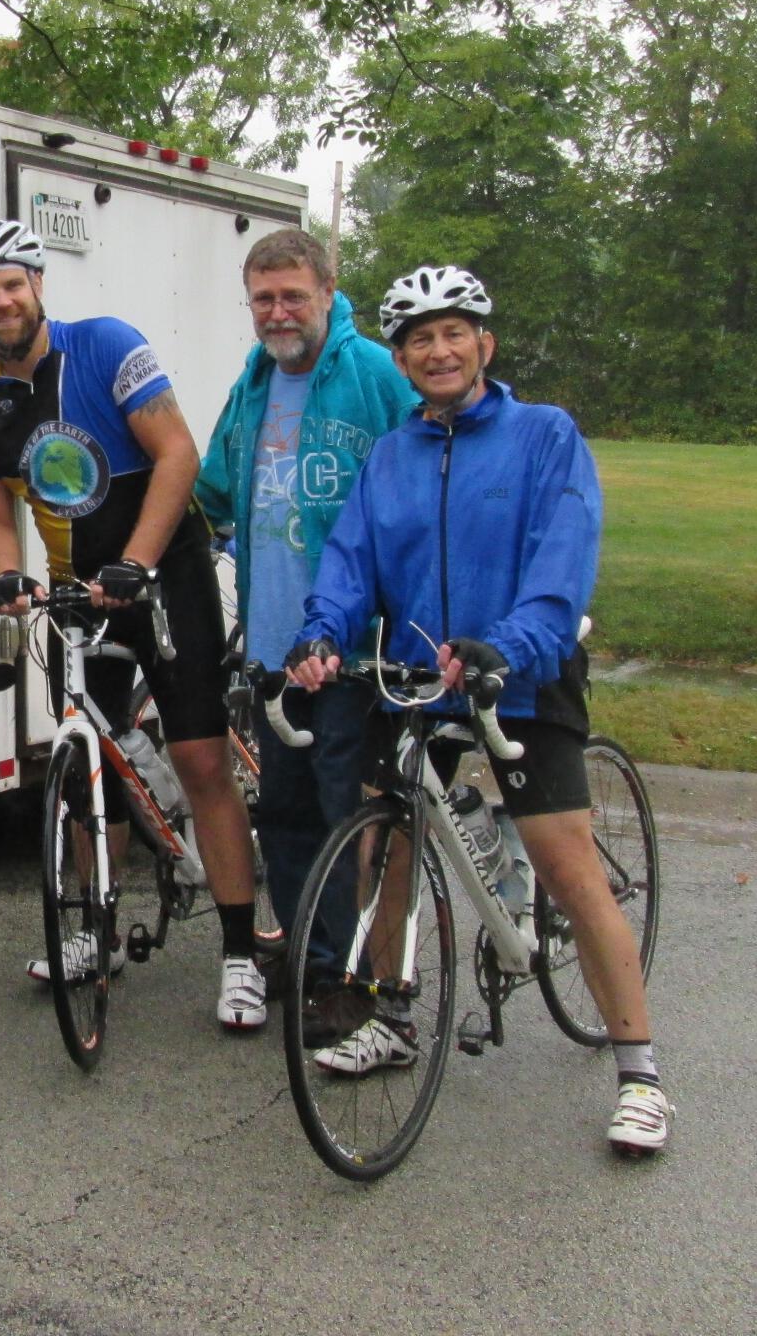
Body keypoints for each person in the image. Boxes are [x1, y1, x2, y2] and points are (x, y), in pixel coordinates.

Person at [284, 263, 672, 1157]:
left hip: (520, 673)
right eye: (419, 339)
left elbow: (562, 558)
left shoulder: (544, 435)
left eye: (453, 333)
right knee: (388, 840)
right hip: (422, 676)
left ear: (484, 345)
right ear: (402, 360)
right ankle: (392, 1013)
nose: (438, 350)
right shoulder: (392, 456)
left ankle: (641, 1073)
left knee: (565, 861)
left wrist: (511, 642)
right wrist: (322, 633)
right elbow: (350, 561)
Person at [0, 218, 266, 1030]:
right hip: (76, 593)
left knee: (200, 759)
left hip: (163, 574)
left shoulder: (105, 345)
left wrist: (135, 563)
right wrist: (6, 574)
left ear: (38, 285)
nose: (1, 301)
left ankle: (240, 954)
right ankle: (97, 930)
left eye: (12, 284)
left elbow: (177, 455)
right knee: (88, 762)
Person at [193, 229, 414, 1043]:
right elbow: (213, 492)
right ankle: (309, 953)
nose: (278, 312)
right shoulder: (253, 382)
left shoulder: (374, 375)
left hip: (356, 653)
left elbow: (422, 487)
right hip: (274, 651)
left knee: (346, 818)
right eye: (264, 298)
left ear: (328, 290)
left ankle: (350, 978)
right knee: (284, 813)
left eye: (293, 295)